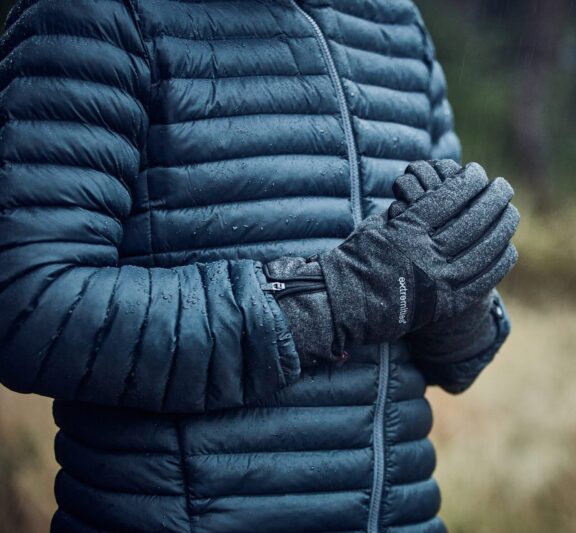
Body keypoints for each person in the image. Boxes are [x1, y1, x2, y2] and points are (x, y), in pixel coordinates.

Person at [0, 0, 519, 531]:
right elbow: (28, 307)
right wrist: (327, 300)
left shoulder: (395, 22)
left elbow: (458, 361)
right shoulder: (97, 14)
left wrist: (454, 289)